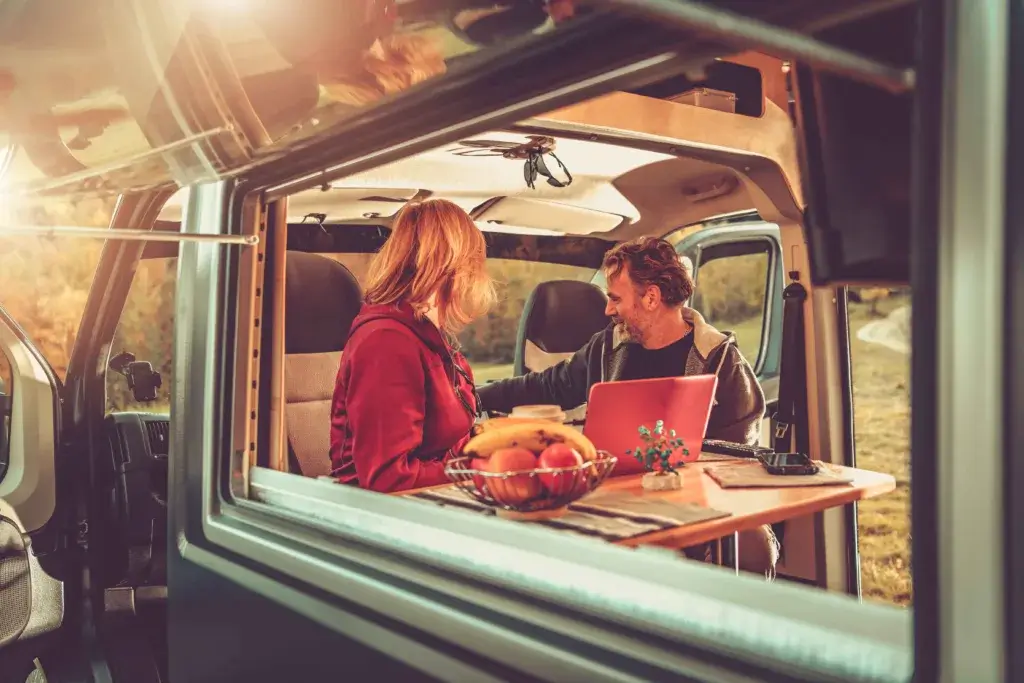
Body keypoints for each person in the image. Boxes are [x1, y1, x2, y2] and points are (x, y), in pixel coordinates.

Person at [477, 236, 778, 576]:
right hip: (616, 499)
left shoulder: (721, 360)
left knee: (753, 548)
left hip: (697, 501)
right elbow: (549, 386)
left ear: (651, 297)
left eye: (615, 298)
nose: (607, 309)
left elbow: (740, 457)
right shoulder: (607, 345)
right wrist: (477, 396)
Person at [329, 199, 495, 492]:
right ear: (457, 266)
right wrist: (481, 470)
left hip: (436, 500)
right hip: (386, 517)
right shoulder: (386, 343)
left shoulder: (430, 338)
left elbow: (446, 445)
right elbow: (389, 479)